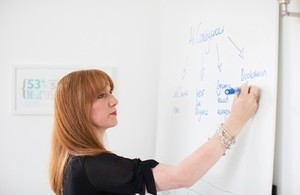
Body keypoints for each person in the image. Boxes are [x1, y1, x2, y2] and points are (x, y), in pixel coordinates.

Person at [49, 69, 260, 195]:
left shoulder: (74, 160)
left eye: (110, 92)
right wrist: (235, 121)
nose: (114, 100)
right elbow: (182, 177)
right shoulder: (94, 165)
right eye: (101, 95)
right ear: (78, 108)